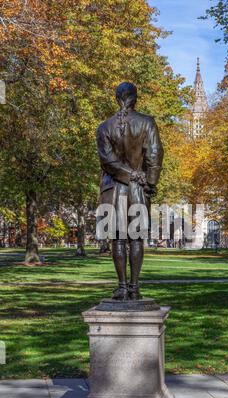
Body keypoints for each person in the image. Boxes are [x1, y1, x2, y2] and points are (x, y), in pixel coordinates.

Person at [97, 82, 164, 301]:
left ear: (117, 98)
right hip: (137, 188)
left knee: (117, 238)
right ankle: (134, 288)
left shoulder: (104, 127)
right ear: (135, 98)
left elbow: (108, 161)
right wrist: (149, 182)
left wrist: (128, 174)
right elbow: (155, 155)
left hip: (113, 188)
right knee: (136, 238)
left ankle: (122, 287)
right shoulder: (147, 123)